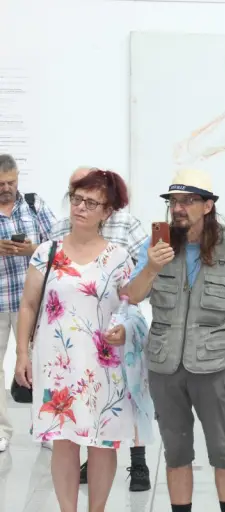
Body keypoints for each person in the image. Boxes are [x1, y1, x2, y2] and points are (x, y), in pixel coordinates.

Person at [124, 169, 225, 512]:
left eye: (188, 200)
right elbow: (132, 295)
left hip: (214, 365)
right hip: (165, 365)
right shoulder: (156, 246)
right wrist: (151, 267)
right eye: (174, 201)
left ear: (207, 206)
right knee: (176, 452)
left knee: (223, 450)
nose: (178, 208)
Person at [14, 170, 134, 512]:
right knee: (63, 440)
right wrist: (22, 353)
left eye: (91, 203)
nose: (80, 207)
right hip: (55, 363)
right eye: (77, 199)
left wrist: (125, 329)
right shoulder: (46, 252)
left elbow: (130, 308)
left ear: (107, 212)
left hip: (103, 364)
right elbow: (29, 305)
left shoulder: (119, 257)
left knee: (102, 442)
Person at [50, 166, 152, 491]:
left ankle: (138, 462)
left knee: (125, 399)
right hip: (74, 332)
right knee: (83, 404)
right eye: (73, 193)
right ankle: (87, 459)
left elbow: (140, 274)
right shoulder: (60, 228)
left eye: (86, 195)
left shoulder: (127, 226)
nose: (78, 202)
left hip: (115, 327)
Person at [0, 153, 56, 453]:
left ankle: (46, 428)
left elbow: (59, 246)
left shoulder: (35, 205)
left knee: (41, 365)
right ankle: (1, 431)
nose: (6, 188)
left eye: (11, 182)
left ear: (18, 178)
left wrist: (31, 249)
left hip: (33, 302)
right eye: (0, 183)